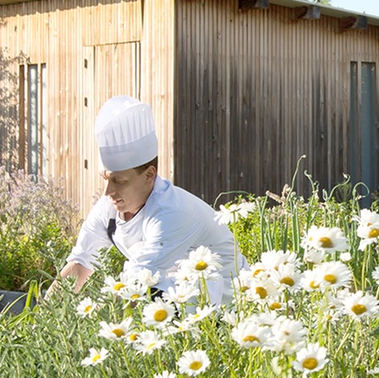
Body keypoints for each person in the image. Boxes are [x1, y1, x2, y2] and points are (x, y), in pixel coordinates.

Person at [50, 95, 247, 304]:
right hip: (175, 296)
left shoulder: (171, 213)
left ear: (149, 175)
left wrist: (92, 327)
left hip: (226, 305)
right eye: (106, 179)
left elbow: (137, 284)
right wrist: (41, 318)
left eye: (119, 181)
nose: (108, 191)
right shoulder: (109, 206)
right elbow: (80, 263)